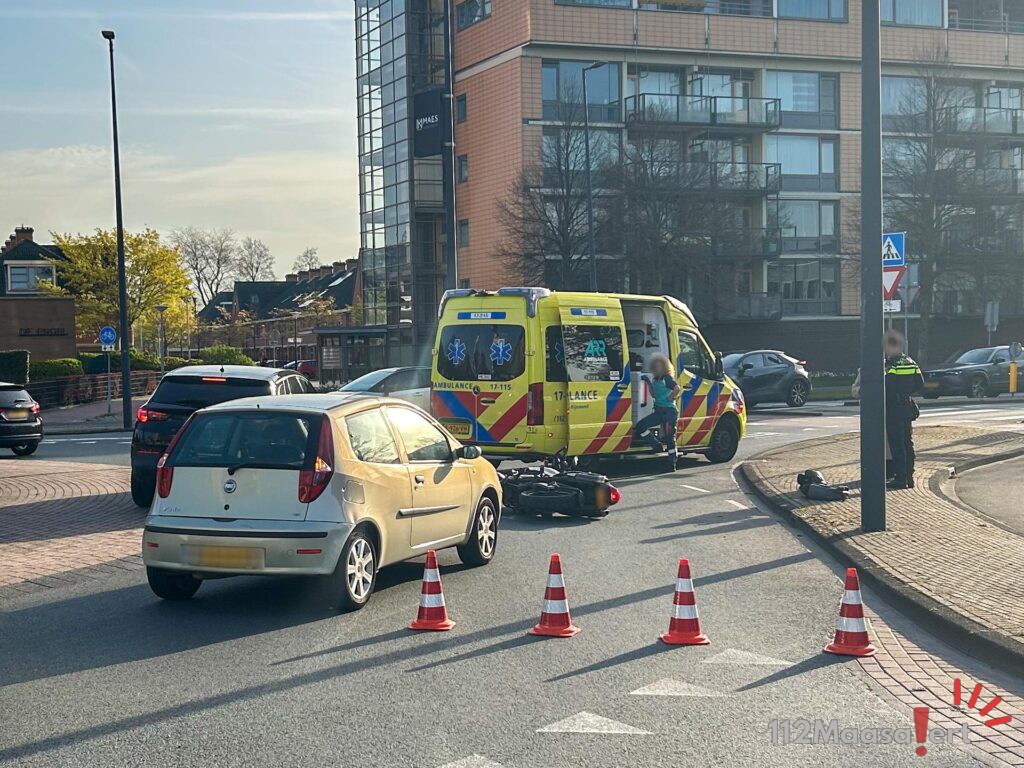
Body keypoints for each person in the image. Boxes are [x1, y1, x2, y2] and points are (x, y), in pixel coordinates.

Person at [883, 330, 924, 489]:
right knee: (908, 442)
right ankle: (909, 477)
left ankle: (900, 479)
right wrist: (907, 392)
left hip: (894, 408)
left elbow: (888, 387)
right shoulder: (911, 362)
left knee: (897, 444)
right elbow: (919, 384)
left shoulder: (892, 365)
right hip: (907, 406)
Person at [634, 353, 681, 467]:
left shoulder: (667, 378)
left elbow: (677, 388)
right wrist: (648, 383)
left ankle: (672, 463)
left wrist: (670, 398)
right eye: (655, 366)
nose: (657, 368)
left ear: (665, 367)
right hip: (659, 411)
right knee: (641, 426)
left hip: (669, 412)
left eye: (660, 366)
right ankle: (656, 445)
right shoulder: (656, 379)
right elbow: (654, 395)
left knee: (670, 437)